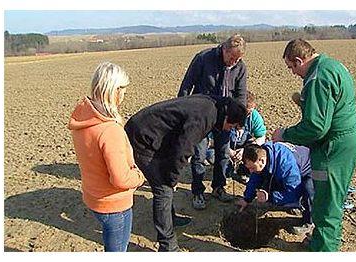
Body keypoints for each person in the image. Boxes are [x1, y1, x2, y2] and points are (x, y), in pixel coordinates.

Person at [272, 39, 356, 251]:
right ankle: (320, 240)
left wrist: (284, 134)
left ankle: (323, 249)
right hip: (348, 140)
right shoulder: (333, 65)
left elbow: (316, 127)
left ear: (299, 60)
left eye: (291, 67)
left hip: (332, 148)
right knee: (333, 198)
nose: (293, 73)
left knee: (325, 205)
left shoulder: (316, 78)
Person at [124, 95, 247, 252]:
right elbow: (183, 150)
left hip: (152, 134)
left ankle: (170, 219)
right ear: (227, 117)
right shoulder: (204, 117)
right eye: (232, 126)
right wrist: (172, 179)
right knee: (163, 189)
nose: (228, 130)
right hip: (142, 138)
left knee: (165, 183)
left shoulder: (211, 107)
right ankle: (167, 246)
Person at [68, 62, 145, 252]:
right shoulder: (109, 131)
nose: (124, 95)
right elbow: (120, 178)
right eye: (123, 90)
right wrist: (140, 176)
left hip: (94, 196)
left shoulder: (83, 119)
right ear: (114, 90)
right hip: (113, 204)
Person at [177, 34, 248, 210]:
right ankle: (198, 192)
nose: (233, 62)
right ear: (224, 49)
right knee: (199, 155)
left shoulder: (240, 67)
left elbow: (240, 96)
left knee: (223, 154)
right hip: (201, 117)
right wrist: (183, 113)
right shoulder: (203, 58)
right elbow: (186, 86)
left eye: (237, 59)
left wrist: (240, 119)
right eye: (231, 57)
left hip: (225, 119)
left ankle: (218, 187)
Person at [235, 142, 313, 233]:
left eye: (252, 167)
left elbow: (293, 192)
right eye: (249, 168)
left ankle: (308, 221)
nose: (250, 171)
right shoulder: (262, 154)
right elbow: (254, 179)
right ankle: (291, 205)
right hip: (291, 172)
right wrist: (246, 199)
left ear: (262, 161)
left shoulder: (285, 165)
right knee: (268, 179)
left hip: (310, 169)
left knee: (308, 190)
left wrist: (271, 197)